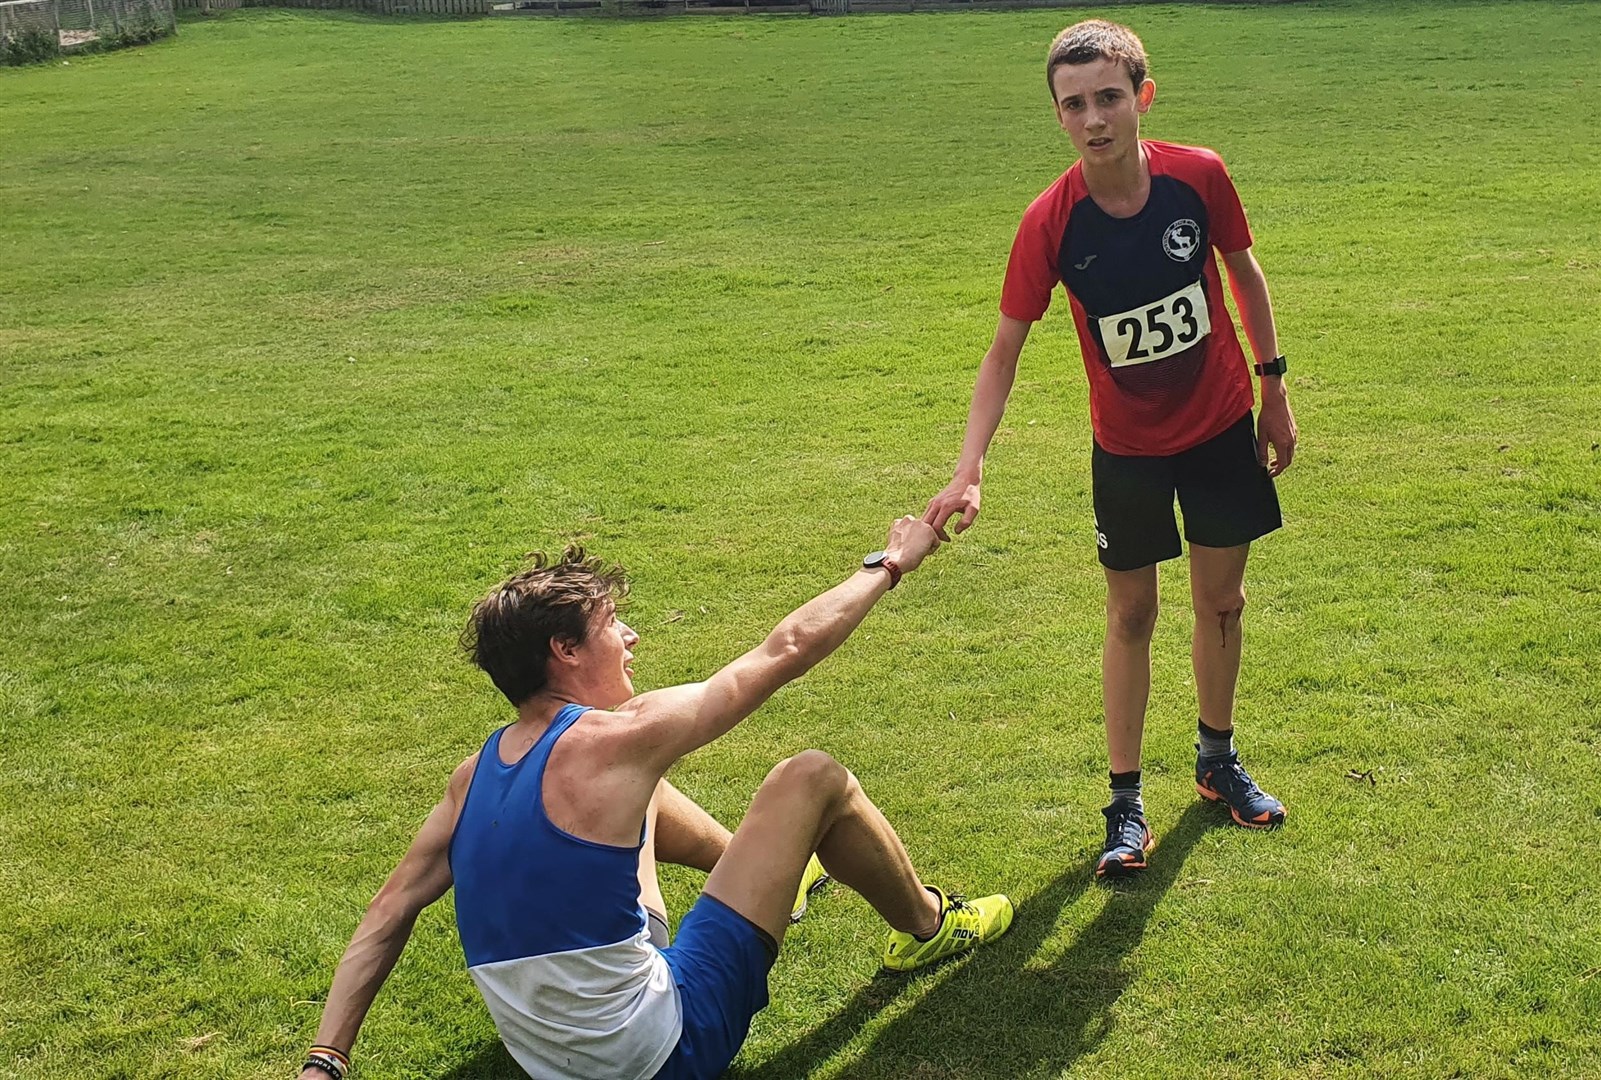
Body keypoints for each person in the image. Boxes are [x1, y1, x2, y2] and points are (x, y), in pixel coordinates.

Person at [295, 516, 1013, 1080]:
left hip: (551, 1063)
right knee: (811, 776)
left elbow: (387, 912)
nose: (632, 637)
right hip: (665, 1051)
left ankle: (780, 882)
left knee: (634, 795)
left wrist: (325, 1059)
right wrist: (889, 563)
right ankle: (928, 927)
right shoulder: (616, 743)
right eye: (612, 626)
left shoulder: (473, 772)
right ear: (565, 652)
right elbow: (784, 649)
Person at [924, 19, 1298, 881]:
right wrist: (968, 466)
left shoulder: (1199, 177)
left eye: (1108, 98)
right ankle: (1123, 802)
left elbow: (1244, 274)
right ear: (1057, 116)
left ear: (1142, 97)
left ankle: (1216, 760)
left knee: (1222, 601)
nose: (1093, 119)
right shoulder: (1049, 223)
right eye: (1073, 105)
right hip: (1125, 448)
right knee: (1131, 615)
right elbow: (1003, 349)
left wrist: (1273, 387)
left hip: (1216, 427)